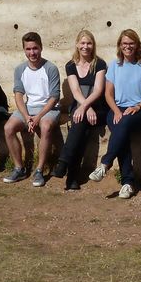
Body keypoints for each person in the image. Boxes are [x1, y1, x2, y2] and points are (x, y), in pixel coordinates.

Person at [88, 29, 141, 199]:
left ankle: (105, 163)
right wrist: (117, 111)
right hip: (117, 109)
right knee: (122, 130)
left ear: (137, 45)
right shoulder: (114, 65)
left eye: (131, 43)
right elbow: (108, 94)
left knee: (123, 125)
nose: (128, 46)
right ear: (120, 45)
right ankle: (128, 183)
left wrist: (138, 106)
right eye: (125, 43)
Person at [3, 32, 62, 186]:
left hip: (49, 108)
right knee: (8, 128)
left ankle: (39, 170)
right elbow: (18, 95)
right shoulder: (20, 69)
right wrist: (26, 116)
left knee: (46, 125)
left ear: (41, 48)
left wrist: (38, 117)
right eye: (28, 49)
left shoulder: (51, 68)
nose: (32, 52)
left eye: (35, 48)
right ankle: (19, 168)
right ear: (24, 50)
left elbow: (54, 97)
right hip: (29, 108)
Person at [53, 30, 108, 191]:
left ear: (93, 45)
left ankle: (64, 165)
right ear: (77, 44)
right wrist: (85, 107)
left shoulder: (100, 64)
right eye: (83, 43)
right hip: (81, 108)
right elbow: (76, 91)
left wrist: (86, 107)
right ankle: (72, 178)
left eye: (89, 43)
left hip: (97, 108)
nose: (86, 46)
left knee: (79, 121)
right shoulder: (71, 65)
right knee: (80, 128)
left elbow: (98, 90)